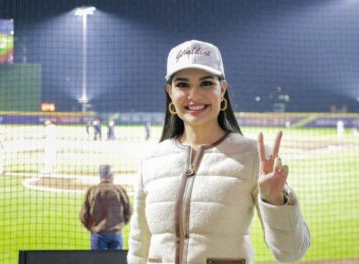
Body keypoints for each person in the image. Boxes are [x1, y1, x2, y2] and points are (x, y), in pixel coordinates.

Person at [127, 40, 310, 263]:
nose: (193, 95)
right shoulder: (152, 160)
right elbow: (139, 245)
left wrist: (275, 200)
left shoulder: (252, 157)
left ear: (222, 89)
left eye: (205, 83)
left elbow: (291, 253)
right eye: (182, 84)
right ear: (170, 93)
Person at [80, 165, 132, 250]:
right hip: (116, 234)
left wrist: (92, 228)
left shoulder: (92, 191)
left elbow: (84, 215)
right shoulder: (119, 190)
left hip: (98, 235)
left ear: (100, 176)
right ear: (111, 175)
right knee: (115, 261)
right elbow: (129, 211)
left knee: (98, 261)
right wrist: (119, 224)